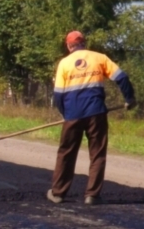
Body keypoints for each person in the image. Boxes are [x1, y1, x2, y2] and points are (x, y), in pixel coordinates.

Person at [48, 31, 136, 206]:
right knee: (97, 154)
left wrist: (65, 114)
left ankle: (58, 193)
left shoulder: (64, 63)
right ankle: (92, 195)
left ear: (68, 46)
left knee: (66, 153)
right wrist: (130, 99)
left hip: (72, 115)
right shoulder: (99, 58)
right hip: (97, 113)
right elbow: (122, 77)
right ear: (84, 43)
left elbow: (58, 95)